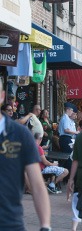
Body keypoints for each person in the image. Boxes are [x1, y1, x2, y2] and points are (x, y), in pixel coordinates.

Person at [0, 79, 51, 230]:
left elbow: (37, 184)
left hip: (9, 223)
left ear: (2, 96)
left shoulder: (20, 134)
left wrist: (45, 226)